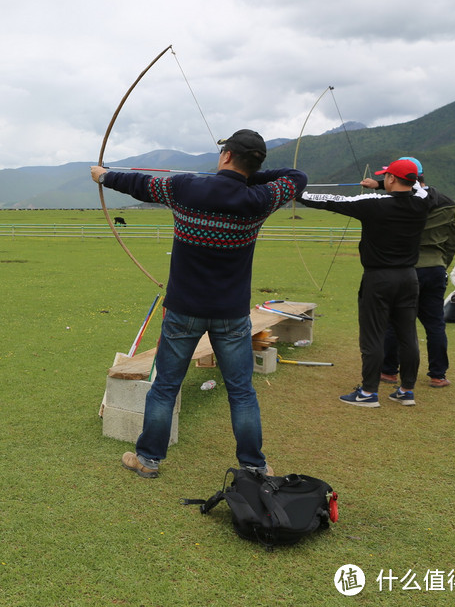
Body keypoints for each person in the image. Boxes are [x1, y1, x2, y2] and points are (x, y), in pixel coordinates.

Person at [91, 129, 307, 479]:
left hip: (183, 311)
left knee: (165, 387)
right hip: (232, 315)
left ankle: (148, 460)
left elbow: (139, 184)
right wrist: (249, 176)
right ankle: (254, 465)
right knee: (241, 392)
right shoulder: (260, 199)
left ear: (225, 156)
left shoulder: (186, 188)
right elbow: (297, 177)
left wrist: (104, 176)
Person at [297, 158, 430, 407]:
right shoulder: (423, 201)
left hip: (379, 278)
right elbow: (421, 187)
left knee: (373, 335)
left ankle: (368, 393)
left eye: (387, 176)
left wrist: (295, 192)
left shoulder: (373, 204)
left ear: (391, 178)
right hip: (409, 277)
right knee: (407, 335)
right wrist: (380, 184)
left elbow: (332, 201)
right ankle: (406, 390)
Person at [361, 159, 455, 388]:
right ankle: (438, 374)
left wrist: (379, 186)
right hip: (435, 267)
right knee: (434, 323)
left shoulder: (403, 203)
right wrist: (442, 265)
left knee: (395, 322)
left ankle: (389, 371)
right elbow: (451, 240)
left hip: (406, 268)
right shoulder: (446, 203)